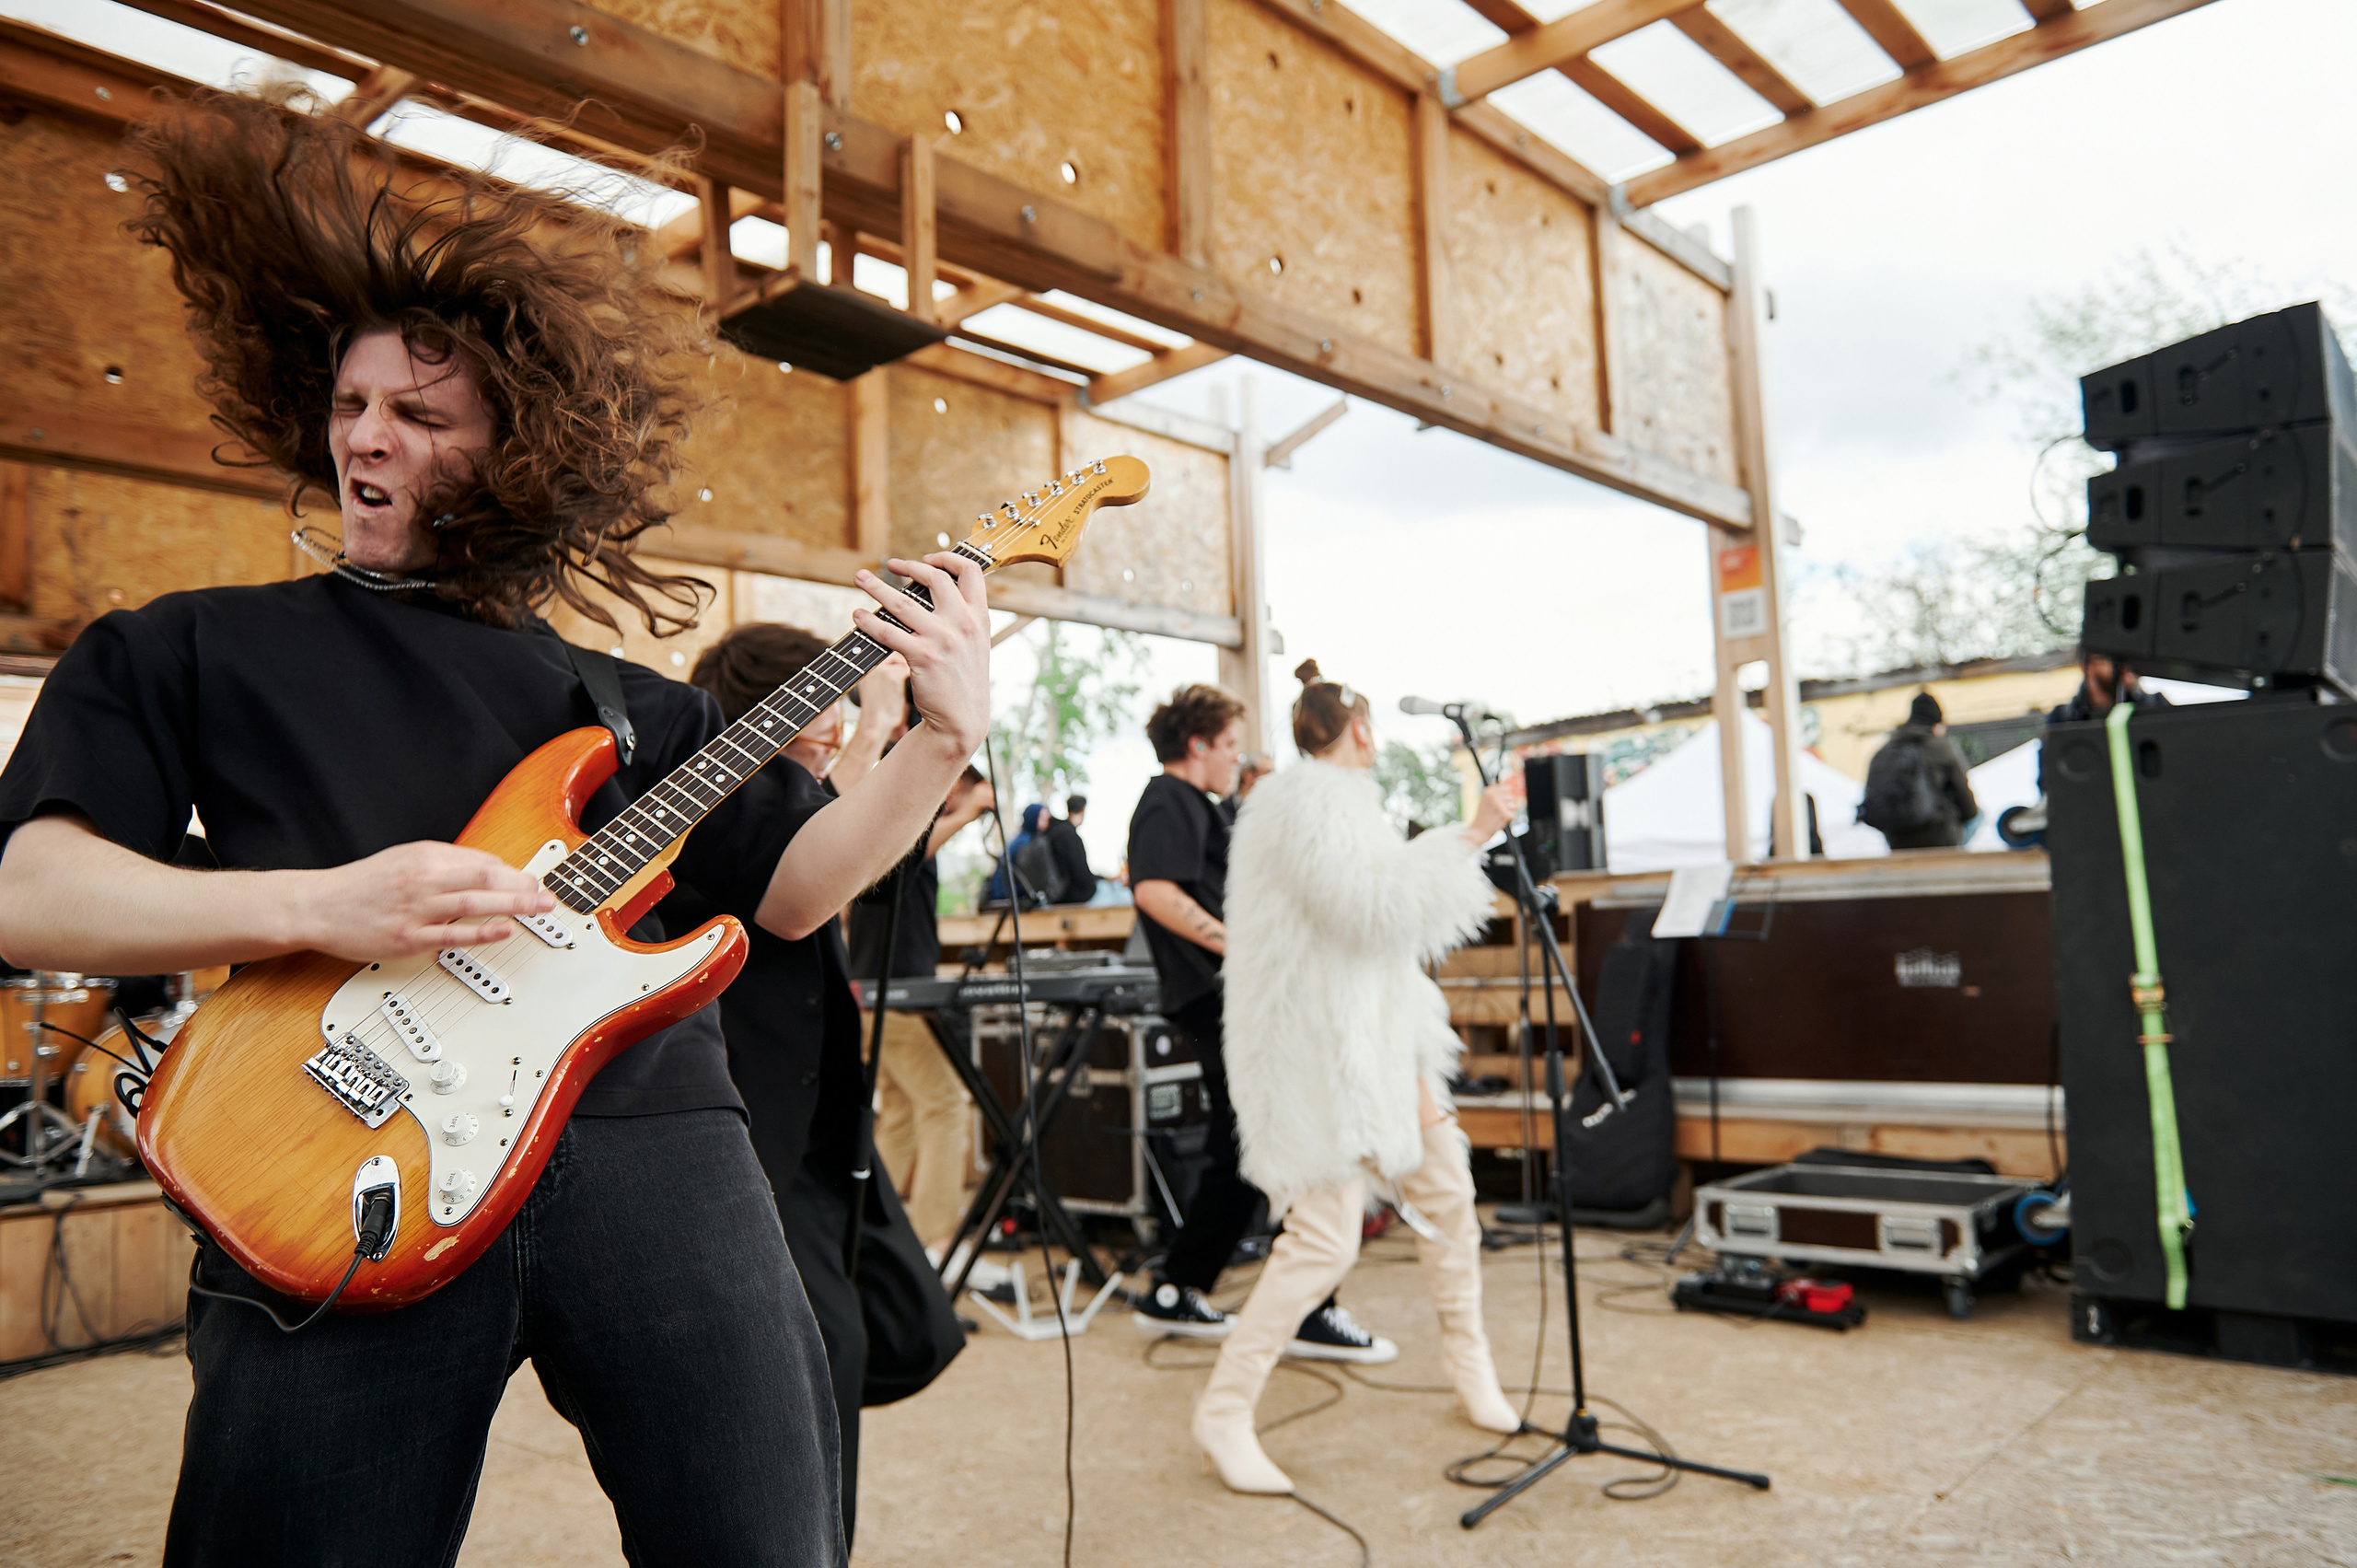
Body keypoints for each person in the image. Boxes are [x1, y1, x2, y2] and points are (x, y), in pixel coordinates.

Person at [0, 93, 992, 1566]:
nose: (364, 439)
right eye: (347, 407)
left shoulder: (629, 702)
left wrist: (940, 736)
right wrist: (320, 905)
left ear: (514, 449)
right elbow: (30, 888)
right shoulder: (195, 646)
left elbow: (795, 890)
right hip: (342, 1142)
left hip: (658, 1146)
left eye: (416, 413)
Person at [1191, 662, 1525, 1495]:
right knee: (1324, 1238)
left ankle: (1471, 1366)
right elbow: (1367, 908)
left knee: (1448, 1193)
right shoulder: (1304, 801)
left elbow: (1376, 924)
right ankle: (1225, 1411)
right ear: (1362, 730)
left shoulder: (1339, 805)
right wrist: (1472, 833)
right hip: (1320, 1056)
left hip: (1384, 1038)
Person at [669, 622, 939, 1549]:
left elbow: (841, 830)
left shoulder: (790, 798)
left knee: (882, 1326)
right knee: (815, 1355)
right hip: (749, 1124)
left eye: (836, 697)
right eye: (814, 699)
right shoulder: (719, 800)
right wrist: (882, 723)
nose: (831, 720)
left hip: (814, 1117)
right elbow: (812, 873)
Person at [1126, 684, 1387, 1362]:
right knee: (1279, 1134)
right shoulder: (1168, 800)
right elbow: (1154, 889)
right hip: (1218, 997)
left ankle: (1181, 1286)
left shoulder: (1201, 806)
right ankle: (1298, 1302)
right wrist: (1239, 943)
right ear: (1199, 744)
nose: (1236, 756)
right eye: (1230, 744)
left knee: (1242, 1146)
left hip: (1228, 995)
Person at [851, 760, 997, 1259]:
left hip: (877, 996)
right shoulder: (902, 831)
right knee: (944, 1106)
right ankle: (934, 1241)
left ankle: (874, 1235)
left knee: (899, 1115)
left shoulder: (887, 829)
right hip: (894, 998)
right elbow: (917, 848)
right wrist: (968, 811)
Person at [2038, 646, 2172, 795]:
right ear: (2086, 665)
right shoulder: (2062, 719)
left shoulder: (2157, 707)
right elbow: (2049, 788)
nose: (2126, 667)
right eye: (2113, 659)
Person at [1859, 692, 1980, 850]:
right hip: (1939, 837)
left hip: (1896, 840)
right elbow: (1967, 805)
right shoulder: (1940, 746)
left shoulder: (1884, 749)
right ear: (1936, 724)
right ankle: (1955, 860)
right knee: (1979, 816)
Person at [1040, 792, 1098, 903]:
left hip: (1058, 892)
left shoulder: (1056, 831)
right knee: (1120, 894)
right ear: (1083, 809)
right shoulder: (1069, 836)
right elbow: (1081, 873)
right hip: (1072, 894)